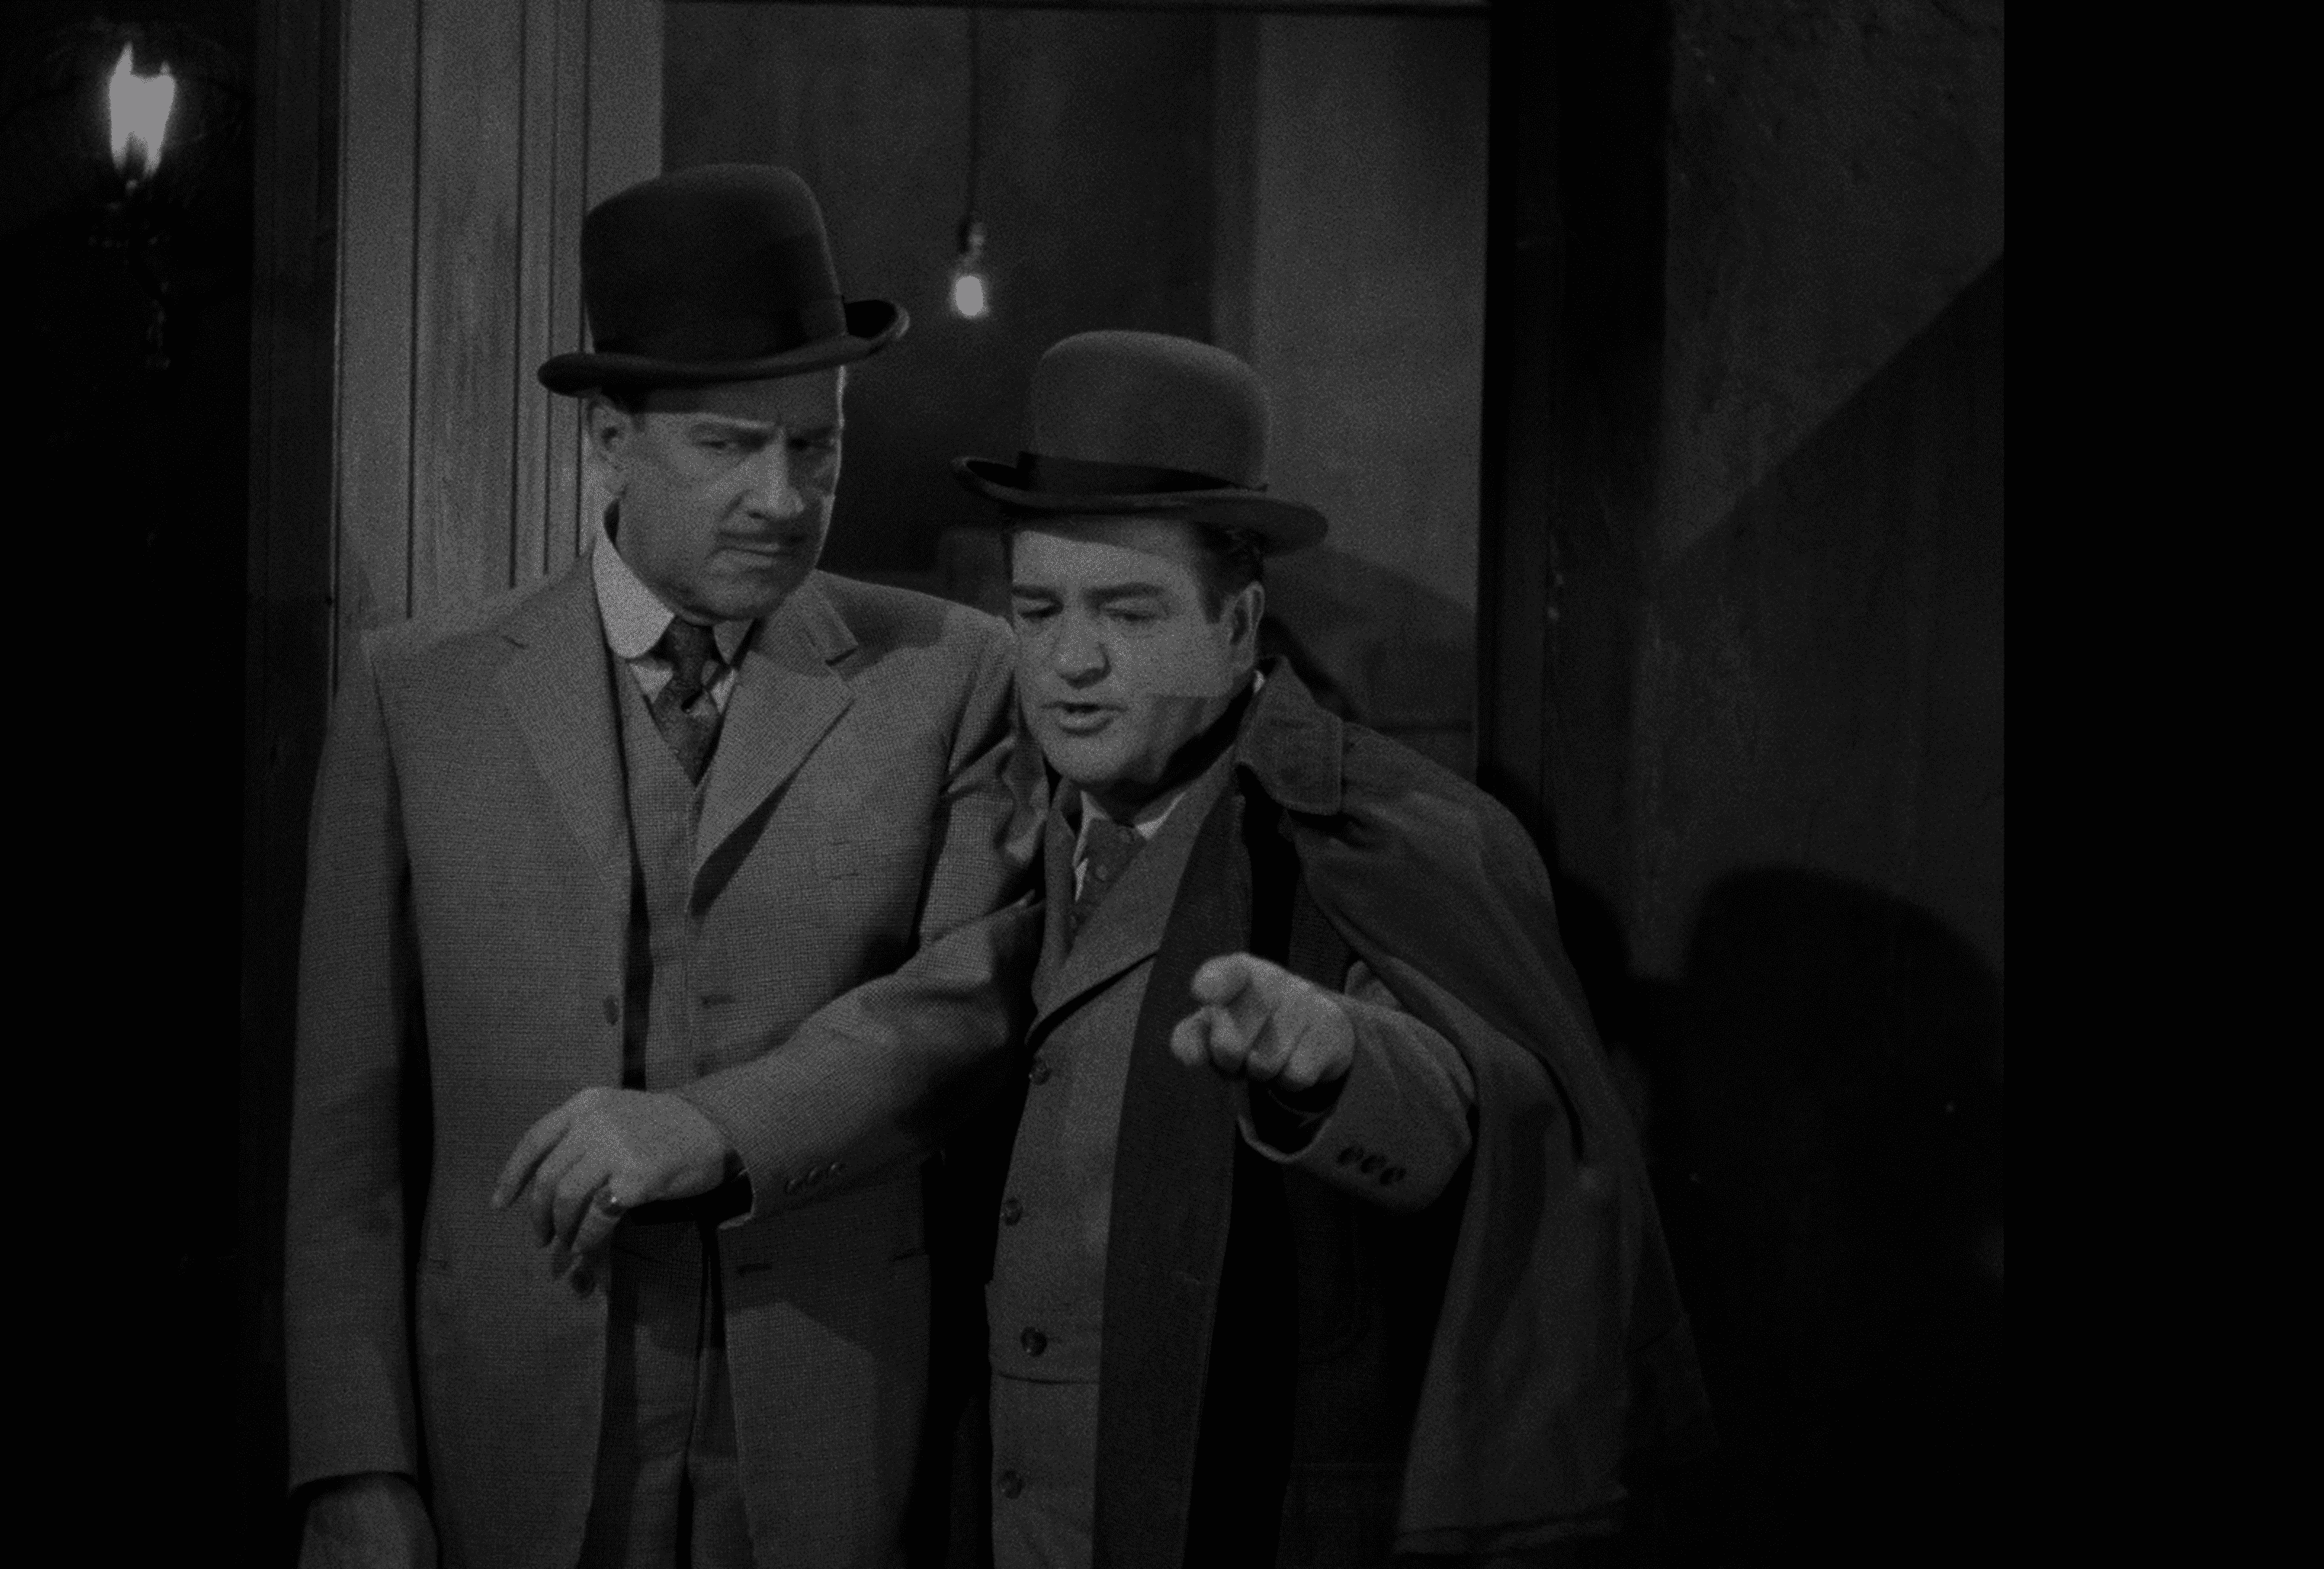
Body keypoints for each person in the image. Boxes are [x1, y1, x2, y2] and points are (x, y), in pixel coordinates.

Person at [286, 164, 1042, 1569]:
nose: (782, 495)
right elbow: (346, 1137)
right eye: (728, 445)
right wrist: (353, 1465)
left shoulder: (950, 675)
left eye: (815, 447)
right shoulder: (419, 696)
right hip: (504, 1436)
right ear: (609, 442)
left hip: (827, 1432)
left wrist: (716, 1127)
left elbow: (966, 1011)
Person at [950, 331, 1709, 1567]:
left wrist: (1334, 1055)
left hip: (1245, 1510)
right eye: (1039, 611)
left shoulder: (1371, 831)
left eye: (1129, 612)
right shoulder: (989, 830)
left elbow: (1463, 1103)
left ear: (1239, 625)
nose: (1072, 659)